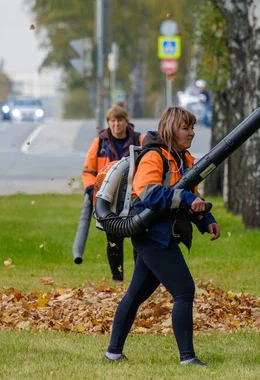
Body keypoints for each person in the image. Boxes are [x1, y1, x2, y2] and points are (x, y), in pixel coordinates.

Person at [103, 106, 221, 366]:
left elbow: (191, 200)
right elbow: (148, 193)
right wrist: (189, 198)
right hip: (150, 234)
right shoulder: (155, 156)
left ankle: (112, 354)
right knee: (184, 290)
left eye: (192, 127)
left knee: (135, 295)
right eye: (185, 128)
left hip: (162, 233)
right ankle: (187, 359)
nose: (191, 133)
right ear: (170, 130)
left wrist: (206, 220)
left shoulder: (184, 159)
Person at [82, 102, 144, 281]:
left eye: (119, 120)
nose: (116, 125)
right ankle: (117, 277)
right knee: (113, 239)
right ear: (108, 122)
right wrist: (90, 189)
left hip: (133, 197)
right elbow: (88, 170)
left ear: (126, 122)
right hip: (109, 197)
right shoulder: (100, 142)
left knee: (138, 238)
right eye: (112, 121)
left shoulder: (139, 140)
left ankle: (139, 279)